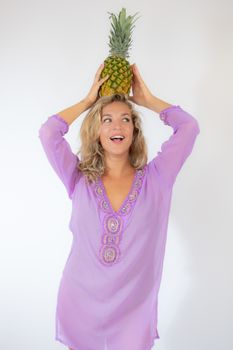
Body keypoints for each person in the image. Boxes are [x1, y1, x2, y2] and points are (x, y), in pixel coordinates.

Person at [38, 63, 200, 350]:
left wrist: (147, 101)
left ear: (135, 130)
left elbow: (188, 127)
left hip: (133, 316)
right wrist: (89, 101)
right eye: (107, 119)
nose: (117, 126)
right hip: (80, 306)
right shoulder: (79, 179)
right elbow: (49, 133)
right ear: (96, 130)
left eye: (126, 119)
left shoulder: (157, 179)